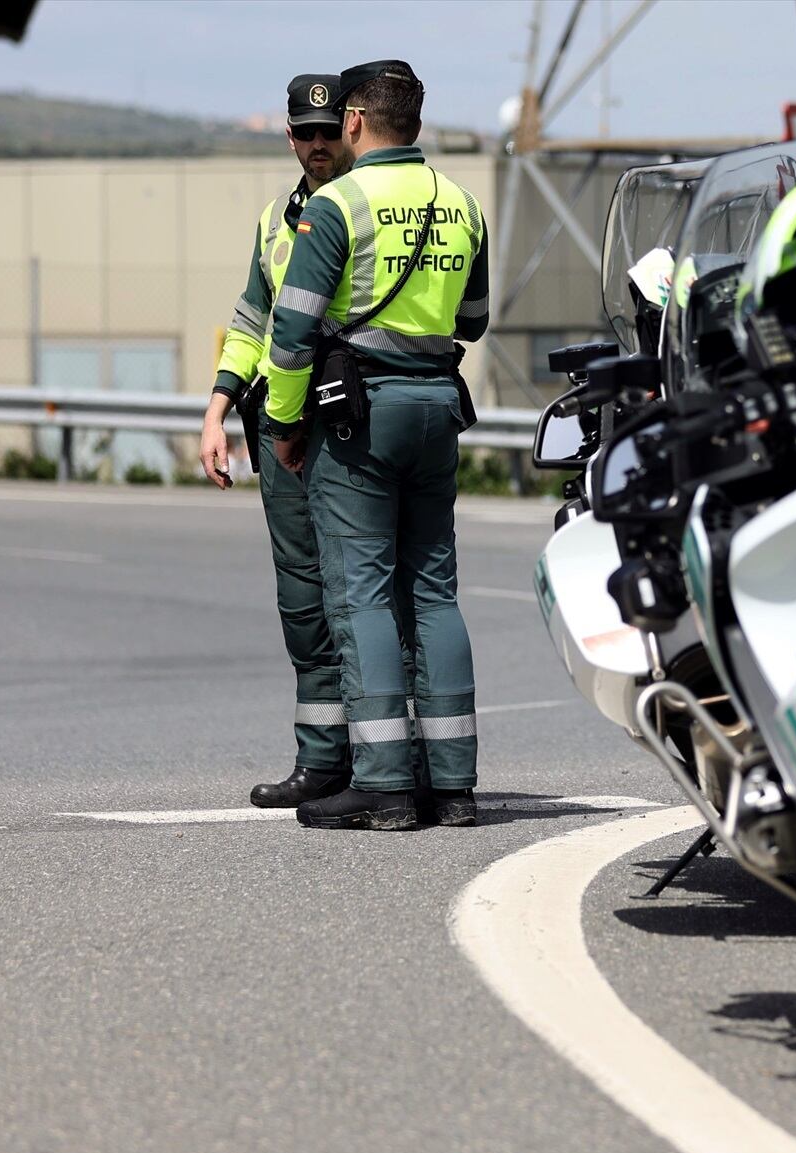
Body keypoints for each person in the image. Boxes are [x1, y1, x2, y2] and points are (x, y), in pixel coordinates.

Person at [260, 59, 489, 831]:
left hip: (362, 415)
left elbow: (289, 335)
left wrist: (286, 428)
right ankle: (453, 784)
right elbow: (475, 320)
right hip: (437, 407)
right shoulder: (463, 205)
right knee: (434, 590)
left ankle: (386, 781)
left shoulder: (336, 207)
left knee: (359, 593)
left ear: (354, 121)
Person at [197, 73, 357, 810]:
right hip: (275, 423)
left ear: (350, 132)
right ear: (290, 137)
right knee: (303, 594)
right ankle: (322, 758)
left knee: (364, 591)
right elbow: (251, 319)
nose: (318, 145)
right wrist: (217, 408)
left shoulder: (363, 207)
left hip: (345, 419)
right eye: (306, 133)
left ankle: (394, 759)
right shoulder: (276, 217)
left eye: (329, 132)